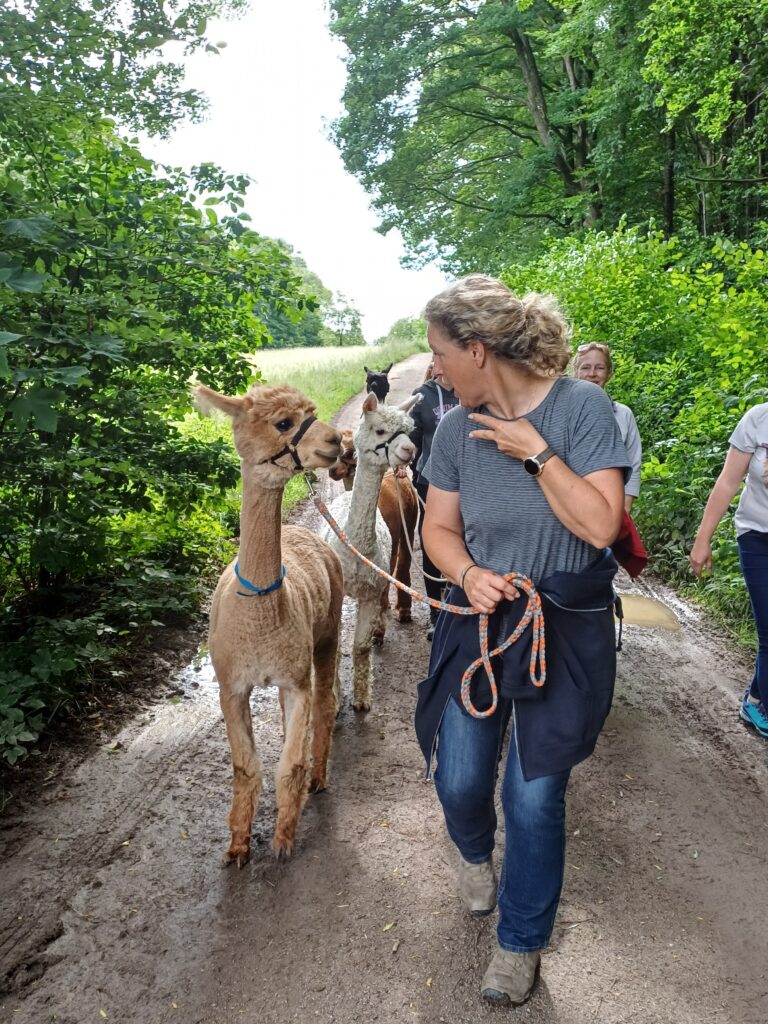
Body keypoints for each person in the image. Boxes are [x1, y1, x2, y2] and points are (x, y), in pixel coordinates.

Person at [415, 275, 629, 1007]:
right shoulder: (450, 428)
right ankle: (474, 853)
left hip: (564, 628)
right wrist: (467, 573)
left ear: (476, 349)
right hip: (477, 625)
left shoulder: (583, 409)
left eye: (440, 352)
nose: (433, 367)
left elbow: (600, 527)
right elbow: (436, 531)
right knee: (460, 780)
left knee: (534, 798)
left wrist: (536, 452)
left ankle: (519, 942)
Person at [689, 403, 768, 738]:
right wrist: (702, 539)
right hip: (757, 535)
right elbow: (727, 482)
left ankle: (755, 698)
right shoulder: (758, 419)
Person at [409, 361, 459, 640]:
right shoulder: (422, 396)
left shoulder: (468, 390)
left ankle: (458, 604)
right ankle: (435, 612)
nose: (441, 369)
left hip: (466, 478)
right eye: (437, 364)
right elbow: (413, 437)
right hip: (429, 479)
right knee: (432, 541)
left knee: (462, 541)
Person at [572, 343, 642, 512]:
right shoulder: (565, 413)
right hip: (570, 507)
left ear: (609, 373)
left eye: (600, 368)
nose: (592, 374)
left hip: (611, 508)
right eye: (585, 367)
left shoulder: (623, 415)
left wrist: (623, 510)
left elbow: (633, 463)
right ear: (575, 373)